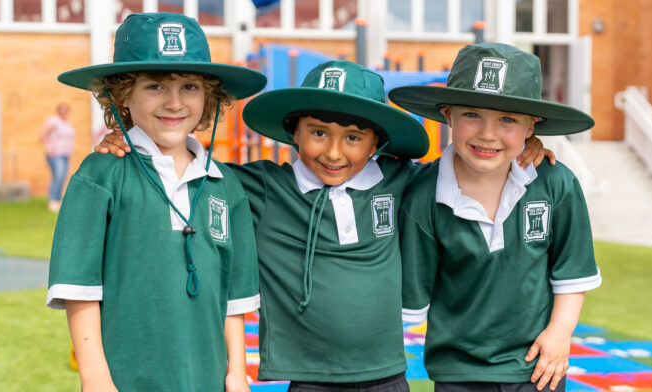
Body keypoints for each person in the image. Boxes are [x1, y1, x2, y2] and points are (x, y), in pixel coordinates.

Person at [98, 59, 552, 391]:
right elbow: (185, 164)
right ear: (292, 131)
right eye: (318, 132)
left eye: (353, 138)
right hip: (307, 378)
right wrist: (133, 138)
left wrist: (528, 149)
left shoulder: (404, 181)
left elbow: (476, 162)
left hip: (388, 377)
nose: (334, 153)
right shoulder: (256, 187)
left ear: (378, 143)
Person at [46, 13, 265, 391]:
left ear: (209, 96)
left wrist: (235, 374)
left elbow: (233, 299)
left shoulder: (226, 185)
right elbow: (79, 291)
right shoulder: (100, 174)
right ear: (122, 95)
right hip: (125, 381)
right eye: (155, 87)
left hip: (208, 380)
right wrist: (95, 378)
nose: (175, 102)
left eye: (191, 87)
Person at [390, 43, 601, 392]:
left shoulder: (556, 183)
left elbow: (572, 271)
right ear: (448, 115)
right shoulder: (423, 195)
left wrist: (560, 333)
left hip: (538, 368)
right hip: (458, 373)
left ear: (532, 125)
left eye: (508, 119)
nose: (488, 133)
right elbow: (411, 299)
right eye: (472, 114)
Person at [39, 102, 76, 212]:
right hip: (55, 154)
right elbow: (43, 134)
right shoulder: (54, 121)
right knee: (58, 177)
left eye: (66, 110)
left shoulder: (67, 124)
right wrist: (49, 148)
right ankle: (53, 200)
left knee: (63, 177)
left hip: (65, 154)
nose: (64, 112)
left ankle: (58, 199)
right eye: (62, 110)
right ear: (58, 111)